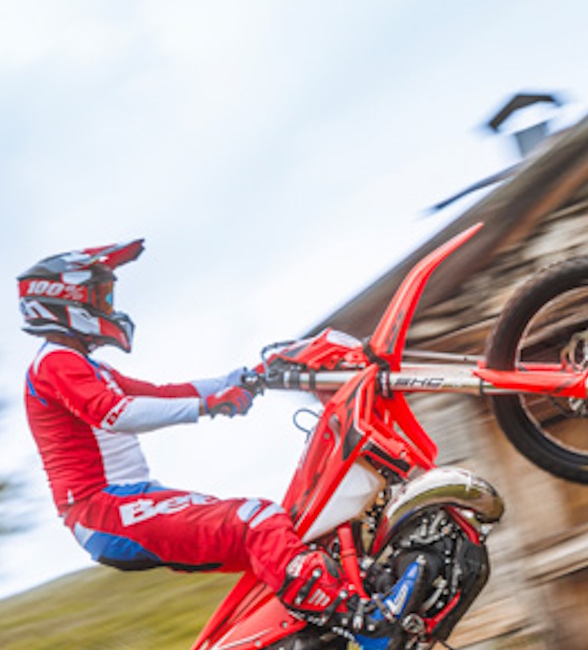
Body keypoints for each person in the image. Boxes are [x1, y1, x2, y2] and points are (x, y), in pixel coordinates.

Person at [19, 239, 365, 627]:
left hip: (126, 502)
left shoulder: (86, 367)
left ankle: (314, 625)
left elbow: (165, 393)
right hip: (103, 510)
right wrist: (209, 405)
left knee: (282, 536)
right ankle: (357, 622)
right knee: (257, 520)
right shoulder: (54, 362)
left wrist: (244, 378)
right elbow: (116, 413)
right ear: (67, 303)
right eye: (101, 297)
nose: (109, 308)